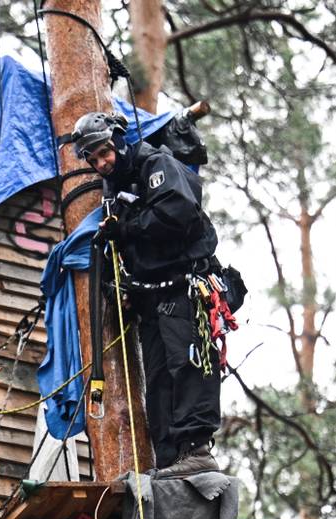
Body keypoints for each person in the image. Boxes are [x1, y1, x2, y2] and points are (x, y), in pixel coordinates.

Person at [71, 111, 224, 476]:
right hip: (150, 299)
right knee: (157, 380)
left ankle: (197, 451)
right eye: (92, 159)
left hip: (183, 286)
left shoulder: (155, 164)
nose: (101, 163)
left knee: (186, 366)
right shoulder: (114, 191)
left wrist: (126, 228)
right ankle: (171, 460)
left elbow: (179, 210)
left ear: (119, 141)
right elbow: (122, 243)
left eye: (103, 152)